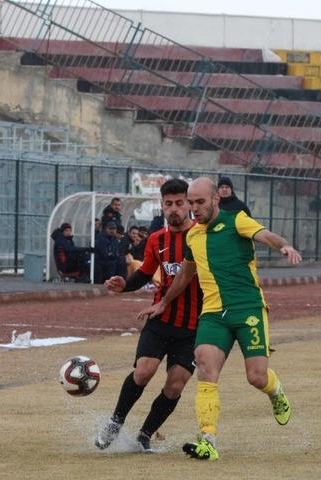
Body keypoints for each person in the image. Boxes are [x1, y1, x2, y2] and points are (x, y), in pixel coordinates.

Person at [137, 177, 302, 461]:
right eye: (191, 202)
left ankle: (276, 392)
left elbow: (265, 235)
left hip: (248, 309)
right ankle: (207, 441)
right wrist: (163, 302)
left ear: (215, 200)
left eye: (200, 202)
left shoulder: (237, 220)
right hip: (213, 314)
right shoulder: (193, 236)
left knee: (256, 377)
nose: (194, 208)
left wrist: (283, 246)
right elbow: (185, 274)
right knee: (205, 366)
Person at [96, 178, 203, 452]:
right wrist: (124, 285)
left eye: (179, 203)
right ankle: (115, 422)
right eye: (168, 204)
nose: (174, 209)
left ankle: (144, 435)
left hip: (193, 327)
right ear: (162, 206)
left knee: (175, 385)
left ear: (189, 204)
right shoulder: (157, 239)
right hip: (160, 319)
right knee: (143, 372)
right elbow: (145, 273)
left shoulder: (203, 236)